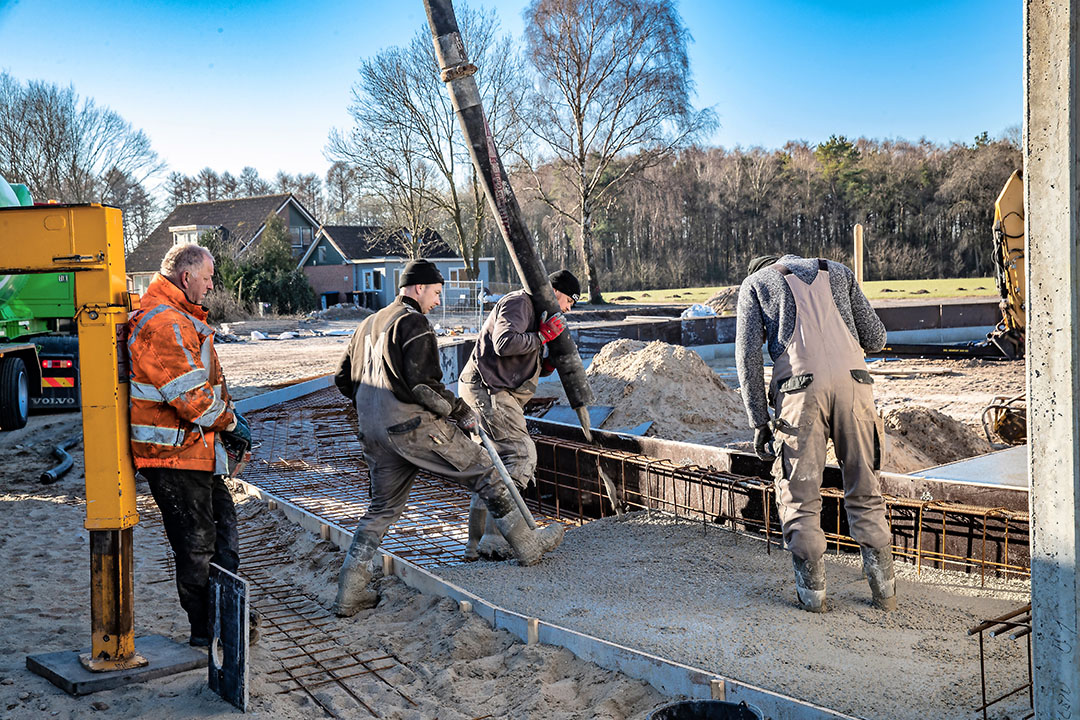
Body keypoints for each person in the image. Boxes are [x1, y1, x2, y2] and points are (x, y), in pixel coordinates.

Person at [333, 258, 565, 616]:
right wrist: (459, 412)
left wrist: (376, 406)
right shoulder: (413, 323)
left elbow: (343, 380)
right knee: (487, 469)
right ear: (418, 288)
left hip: (372, 431)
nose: (438, 302)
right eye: (437, 293)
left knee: (381, 509)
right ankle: (528, 544)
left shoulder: (366, 324)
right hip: (412, 427)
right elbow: (424, 386)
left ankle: (351, 591)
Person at [735, 254, 896, 613]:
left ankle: (814, 600)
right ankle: (885, 595)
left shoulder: (756, 285)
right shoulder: (839, 272)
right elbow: (877, 338)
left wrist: (759, 420)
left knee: (800, 489)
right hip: (856, 386)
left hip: (800, 392)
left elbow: (746, 359)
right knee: (865, 485)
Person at [127, 243, 250, 646]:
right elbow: (191, 398)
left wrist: (227, 425)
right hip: (173, 458)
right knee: (198, 546)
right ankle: (209, 632)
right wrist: (232, 422)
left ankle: (227, 622)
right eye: (209, 277)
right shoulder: (163, 324)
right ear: (186, 277)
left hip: (194, 453)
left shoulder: (178, 318)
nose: (212, 285)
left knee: (222, 535)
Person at [457, 270, 579, 561]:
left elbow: (519, 354)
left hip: (489, 388)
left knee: (493, 466)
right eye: (569, 300)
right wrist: (540, 338)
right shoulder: (520, 302)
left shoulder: (532, 311)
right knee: (521, 456)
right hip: (488, 389)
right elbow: (504, 342)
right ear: (553, 291)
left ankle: (478, 543)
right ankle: (498, 537)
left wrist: (543, 363)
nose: (568, 308)